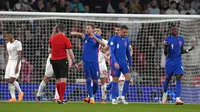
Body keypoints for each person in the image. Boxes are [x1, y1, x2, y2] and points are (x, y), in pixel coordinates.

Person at [70, 23, 105, 104]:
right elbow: (76, 34)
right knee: (88, 80)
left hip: (95, 63)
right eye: (86, 28)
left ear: (93, 30)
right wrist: (77, 33)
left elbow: (103, 44)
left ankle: (90, 97)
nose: (87, 29)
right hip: (86, 62)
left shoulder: (97, 37)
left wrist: (95, 37)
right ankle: (92, 98)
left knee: (96, 83)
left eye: (88, 28)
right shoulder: (85, 36)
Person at [36, 25, 72, 103]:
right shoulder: (53, 39)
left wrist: (69, 60)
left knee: (60, 79)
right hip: (52, 59)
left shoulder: (64, 39)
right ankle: (38, 95)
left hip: (61, 60)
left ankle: (57, 98)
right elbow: (49, 50)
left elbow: (67, 51)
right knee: (47, 78)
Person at [162, 25, 195, 105]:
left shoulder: (181, 39)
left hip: (178, 62)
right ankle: (164, 94)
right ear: (170, 31)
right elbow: (165, 53)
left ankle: (177, 98)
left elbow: (181, 51)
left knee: (179, 76)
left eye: (175, 29)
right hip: (170, 61)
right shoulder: (168, 39)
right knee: (168, 78)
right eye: (173, 29)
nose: (174, 30)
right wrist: (166, 47)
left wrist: (189, 49)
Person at [49, 23, 76, 104]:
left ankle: (59, 98)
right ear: (65, 30)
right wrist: (74, 61)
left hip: (53, 61)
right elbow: (70, 52)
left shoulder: (52, 39)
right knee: (63, 79)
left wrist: (53, 32)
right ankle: (61, 98)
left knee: (57, 79)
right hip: (62, 60)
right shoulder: (65, 39)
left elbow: (49, 48)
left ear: (57, 30)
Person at [110, 25, 132, 104]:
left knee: (128, 78)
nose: (125, 34)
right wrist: (115, 62)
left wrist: (130, 64)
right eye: (124, 32)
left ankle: (122, 97)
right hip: (116, 63)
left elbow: (128, 53)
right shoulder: (114, 39)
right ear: (120, 31)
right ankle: (113, 99)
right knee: (115, 80)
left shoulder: (126, 40)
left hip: (124, 63)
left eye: (126, 32)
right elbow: (112, 52)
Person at [5, 31, 24, 102]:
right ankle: (13, 98)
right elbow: (8, 55)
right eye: (6, 36)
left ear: (12, 36)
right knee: (8, 80)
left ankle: (20, 92)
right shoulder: (8, 44)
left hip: (16, 62)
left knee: (12, 79)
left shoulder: (18, 43)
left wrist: (17, 66)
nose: (7, 38)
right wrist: (7, 64)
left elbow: (19, 55)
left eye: (8, 36)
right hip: (10, 62)